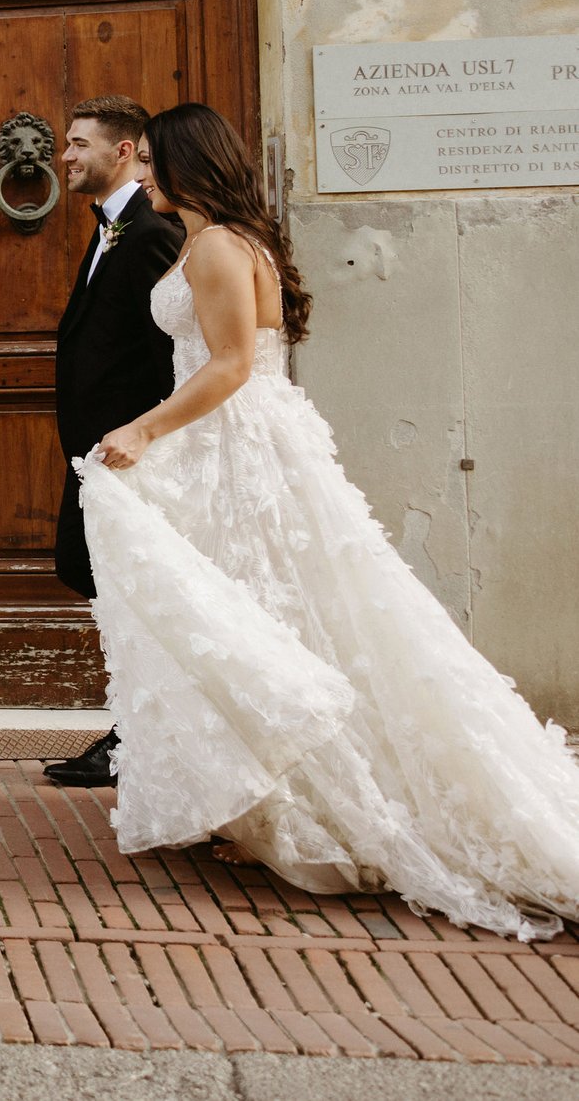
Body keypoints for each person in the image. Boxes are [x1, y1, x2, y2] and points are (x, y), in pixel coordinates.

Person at [79, 104, 579, 939]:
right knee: (267, 611)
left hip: (240, 448)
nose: (147, 175)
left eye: (156, 161)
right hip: (242, 444)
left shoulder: (212, 246)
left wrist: (143, 428)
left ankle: (309, 808)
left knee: (265, 614)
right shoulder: (233, 239)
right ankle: (266, 801)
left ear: (186, 163)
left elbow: (234, 364)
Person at [41, 97, 183, 789]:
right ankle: (144, 725)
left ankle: (139, 733)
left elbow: (172, 356)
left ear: (122, 151)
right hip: (98, 453)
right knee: (91, 570)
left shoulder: (151, 231)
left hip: (132, 456)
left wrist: (155, 443)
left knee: (133, 593)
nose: (64, 155)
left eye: (77, 143)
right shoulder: (111, 229)